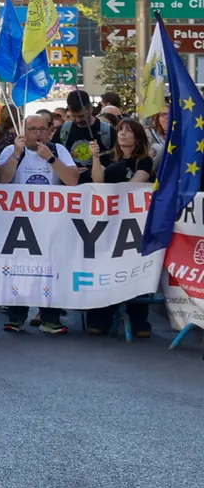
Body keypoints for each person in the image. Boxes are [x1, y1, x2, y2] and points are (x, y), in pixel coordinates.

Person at [0, 111, 81, 335]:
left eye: (42, 129)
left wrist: (51, 159)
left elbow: (72, 180)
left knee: (51, 269)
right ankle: (16, 317)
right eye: (32, 130)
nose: (37, 134)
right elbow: (2, 180)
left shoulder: (58, 150)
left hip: (50, 223)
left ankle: (50, 318)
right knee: (17, 269)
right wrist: (16, 153)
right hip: (18, 222)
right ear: (24, 131)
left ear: (50, 131)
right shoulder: (11, 150)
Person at [87, 118, 156, 338]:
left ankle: (139, 320)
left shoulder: (144, 160)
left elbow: (135, 184)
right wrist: (96, 158)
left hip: (133, 223)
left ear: (137, 137)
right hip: (107, 222)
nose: (123, 134)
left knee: (134, 267)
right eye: (120, 131)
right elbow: (97, 181)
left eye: (128, 131)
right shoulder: (108, 157)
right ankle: (100, 318)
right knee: (103, 268)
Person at [55, 89, 113, 184]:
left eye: (82, 116)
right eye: (74, 116)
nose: (78, 120)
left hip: (97, 189)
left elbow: (115, 160)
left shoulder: (107, 131)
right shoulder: (64, 130)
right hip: (69, 189)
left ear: (90, 108)